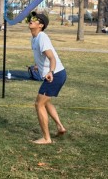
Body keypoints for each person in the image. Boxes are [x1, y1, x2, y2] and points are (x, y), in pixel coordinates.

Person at [27, 11, 67, 144]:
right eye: (31, 18)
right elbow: (43, 56)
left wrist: (50, 71)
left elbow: (52, 57)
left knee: (39, 104)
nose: (31, 20)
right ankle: (60, 127)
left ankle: (46, 138)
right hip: (55, 74)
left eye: (35, 19)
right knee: (46, 102)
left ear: (41, 25)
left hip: (55, 74)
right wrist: (38, 65)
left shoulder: (42, 37)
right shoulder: (34, 38)